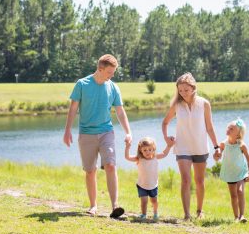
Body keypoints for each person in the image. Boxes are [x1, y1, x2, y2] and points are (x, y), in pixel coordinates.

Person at [63, 54, 132, 218]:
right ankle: (93, 206)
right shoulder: (82, 84)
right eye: (109, 72)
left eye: (113, 72)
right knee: (90, 171)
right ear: (100, 69)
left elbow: (120, 112)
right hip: (86, 133)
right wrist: (67, 130)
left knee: (110, 165)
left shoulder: (113, 87)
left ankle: (115, 205)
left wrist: (128, 131)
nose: (112, 75)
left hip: (106, 131)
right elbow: (73, 109)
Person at [162, 73, 220, 220]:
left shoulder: (204, 104)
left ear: (193, 88)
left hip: (200, 147)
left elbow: (210, 128)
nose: (183, 93)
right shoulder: (177, 105)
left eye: (186, 90)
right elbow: (165, 122)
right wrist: (166, 138)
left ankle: (199, 211)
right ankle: (187, 214)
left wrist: (216, 147)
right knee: (186, 180)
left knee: (200, 181)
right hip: (182, 147)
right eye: (180, 90)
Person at [124, 136, 174, 220]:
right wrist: (127, 147)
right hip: (142, 185)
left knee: (154, 201)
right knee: (144, 201)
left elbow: (164, 154)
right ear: (141, 150)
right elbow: (127, 157)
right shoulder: (139, 158)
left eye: (150, 149)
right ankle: (143, 214)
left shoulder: (155, 157)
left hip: (153, 185)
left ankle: (155, 213)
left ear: (153, 149)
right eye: (145, 150)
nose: (147, 152)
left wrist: (169, 146)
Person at [213, 118, 249, 223]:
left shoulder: (242, 145)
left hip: (240, 172)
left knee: (240, 191)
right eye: (228, 127)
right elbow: (217, 156)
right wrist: (216, 155)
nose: (228, 129)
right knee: (233, 195)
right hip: (230, 173)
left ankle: (242, 215)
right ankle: (235, 217)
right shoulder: (223, 144)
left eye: (232, 129)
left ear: (238, 134)